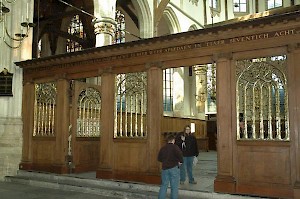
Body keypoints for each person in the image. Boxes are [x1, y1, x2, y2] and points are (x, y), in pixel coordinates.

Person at [157, 134, 183, 199]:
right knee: (174, 187)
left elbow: (159, 159)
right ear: (173, 140)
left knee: (164, 185)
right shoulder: (175, 147)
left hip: (165, 169)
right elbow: (181, 157)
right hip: (174, 168)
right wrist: (180, 162)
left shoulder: (163, 148)